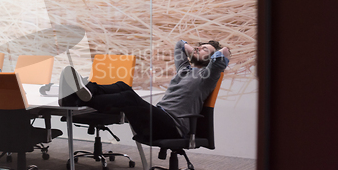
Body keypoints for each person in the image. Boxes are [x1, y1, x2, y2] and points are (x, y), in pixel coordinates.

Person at [59, 40, 230, 140]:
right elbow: (179, 45)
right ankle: (84, 91)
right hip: (160, 116)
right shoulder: (184, 69)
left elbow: (224, 54)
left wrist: (208, 52)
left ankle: (77, 98)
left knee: (128, 98)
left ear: (211, 58)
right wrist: (199, 50)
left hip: (173, 126)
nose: (199, 48)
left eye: (205, 50)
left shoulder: (207, 76)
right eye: (199, 47)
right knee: (123, 85)